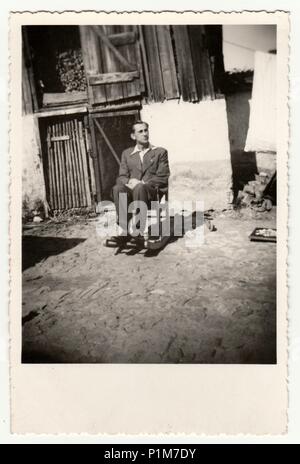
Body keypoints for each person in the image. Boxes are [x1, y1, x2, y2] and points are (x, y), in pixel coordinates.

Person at [111, 121, 170, 243]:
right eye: (140, 131)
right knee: (118, 188)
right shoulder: (127, 154)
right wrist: (129, 181)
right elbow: (121, 176)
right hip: (133, 191)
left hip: (152, 192)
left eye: (146, 130)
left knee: (140, 188)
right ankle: (124, 231)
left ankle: (138, 229)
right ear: (133, 136)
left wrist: (143, 183)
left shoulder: (160, 152)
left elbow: (163, 176)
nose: (144, 134)